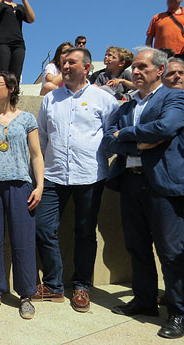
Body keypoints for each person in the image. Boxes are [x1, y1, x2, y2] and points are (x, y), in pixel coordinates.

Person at [103, 47, 184, 340]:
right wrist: (140, 142)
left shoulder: (174, 96)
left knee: (171, 251)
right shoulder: (125, 106)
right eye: (134, 67)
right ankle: (146, 301)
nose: (135, 72)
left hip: (161, 184)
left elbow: (167, 126)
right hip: (130, 182)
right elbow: (107, 141)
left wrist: (124, 136)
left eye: (141, 67)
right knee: (137, 247)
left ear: (159, 71)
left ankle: (178, 312)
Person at [32, 47, 119, 313]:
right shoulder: (50, 99)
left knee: (84, 233)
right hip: (54, 176)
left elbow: (112, 135)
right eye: (62, 62)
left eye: (71, 62)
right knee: (44, 229)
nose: (66, 66)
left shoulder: (103, 99)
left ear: (87, 67)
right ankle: (54, 285)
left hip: (90, 177)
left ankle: (81, 286)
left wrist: (97, 158)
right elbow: (42, 138)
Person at [0, 71, 44, 320]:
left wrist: (39, 185)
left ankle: (26, 295)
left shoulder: (26, 119)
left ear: (10, 88)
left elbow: (36, 155)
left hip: (21, 185)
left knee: (23, 241)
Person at [0, 0, 36, 81]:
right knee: (2, 75)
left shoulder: (19, 7)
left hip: (18, 44)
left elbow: (31, 19)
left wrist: (24, 1)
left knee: (15, 77)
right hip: (2, 43)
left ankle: (14, 93)